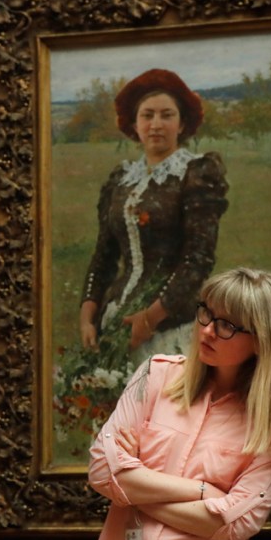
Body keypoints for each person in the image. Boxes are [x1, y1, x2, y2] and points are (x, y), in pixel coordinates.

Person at [88, 267, 271, 540]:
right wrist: (201, 491)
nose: (207, 331)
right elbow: (101, 469)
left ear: (261, 341)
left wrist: (135, 492)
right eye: (206, 313)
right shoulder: (154, 375)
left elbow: (236, 522)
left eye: (226, 325)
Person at [79, 68, 228, 360]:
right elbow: (104, 256)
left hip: (171, 326)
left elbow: (198, 260)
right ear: (134, 124)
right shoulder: (121, 179)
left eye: (166, 115)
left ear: (182, 123)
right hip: (116, 322)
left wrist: (150, 318)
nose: (156, 124)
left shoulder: (195, 175)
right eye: (147, 115)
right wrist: (87, 316)